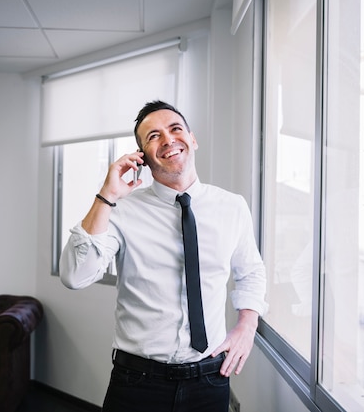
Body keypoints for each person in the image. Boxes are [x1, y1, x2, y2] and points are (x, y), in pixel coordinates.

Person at [60, 100, 268, 412]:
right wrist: (107, 195)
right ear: (141, 156)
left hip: (209, 379)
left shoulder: (232, 206)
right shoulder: (120, 210)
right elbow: (75, 276)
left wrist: (247, 325)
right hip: (138, 383)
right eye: (153, 136)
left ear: (192, 138)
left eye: (175, 129)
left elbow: (250, 272)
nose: (168, 139)